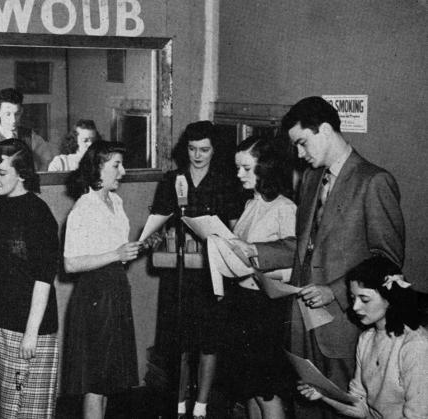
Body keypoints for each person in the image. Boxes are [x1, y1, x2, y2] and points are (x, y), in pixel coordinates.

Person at [231, 96, 405, 419]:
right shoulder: (312, 179)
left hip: (342, 324)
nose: (299, 154)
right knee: (305, 407)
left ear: (324, 130)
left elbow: (388, 261)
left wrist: (335, 290)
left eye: (302, 143)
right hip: (302, 321)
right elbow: (301, 246)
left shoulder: (373, 182)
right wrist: (255, 251)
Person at [150, 121, 244, 419]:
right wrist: (155, 236)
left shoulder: (227, 182)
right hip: (178, 271)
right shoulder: (171, 180)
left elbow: (233, 229)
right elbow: (159, 221)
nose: (197, 155)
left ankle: (201, 405)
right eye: (192, 149)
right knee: (178, 341)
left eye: (204, 150)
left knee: (208, 339)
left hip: (210, 273)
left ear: (215, 150)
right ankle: (178, 403)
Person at [0, 139, 60, 418]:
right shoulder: (0, 210)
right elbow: (1, 264)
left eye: (1, 172)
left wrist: (31, 333)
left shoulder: (39, 213)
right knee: (2, 409)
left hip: (28, 328)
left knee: (27, 411)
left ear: (22, 173)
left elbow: (44, 277)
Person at [62, 140, 141, 419]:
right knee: (96, 381)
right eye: (116, 165)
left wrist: (132, 249)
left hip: (116, 290)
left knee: (107, 380)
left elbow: (115, 250)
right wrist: (115, 253)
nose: (123, 171)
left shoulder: (115, 201)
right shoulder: (84, 208)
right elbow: (70, 263)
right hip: (95, 295)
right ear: (98, 167)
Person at [298, 256, 428, 418]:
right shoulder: (366, 338)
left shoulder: (416, 346)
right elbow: (359, 407)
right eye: (353, 298)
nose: (355, 307)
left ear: (389, 298)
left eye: (364, 299)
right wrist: (323, 395)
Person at [225, 136, 296, 419]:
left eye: (246, 168)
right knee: (250, 387)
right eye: (237, 167)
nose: (239, 174)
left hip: (267, 308)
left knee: (267, 390)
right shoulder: (252, 203)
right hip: (244, 303)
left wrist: (255, 264)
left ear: (265, 169)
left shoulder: (285, 208)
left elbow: (294, 266)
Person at [0, 87, 54, 171]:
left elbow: (47, 161)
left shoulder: (30, 137)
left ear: (21, 111)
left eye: (16, 114)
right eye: (8, 114)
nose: (13, 119)